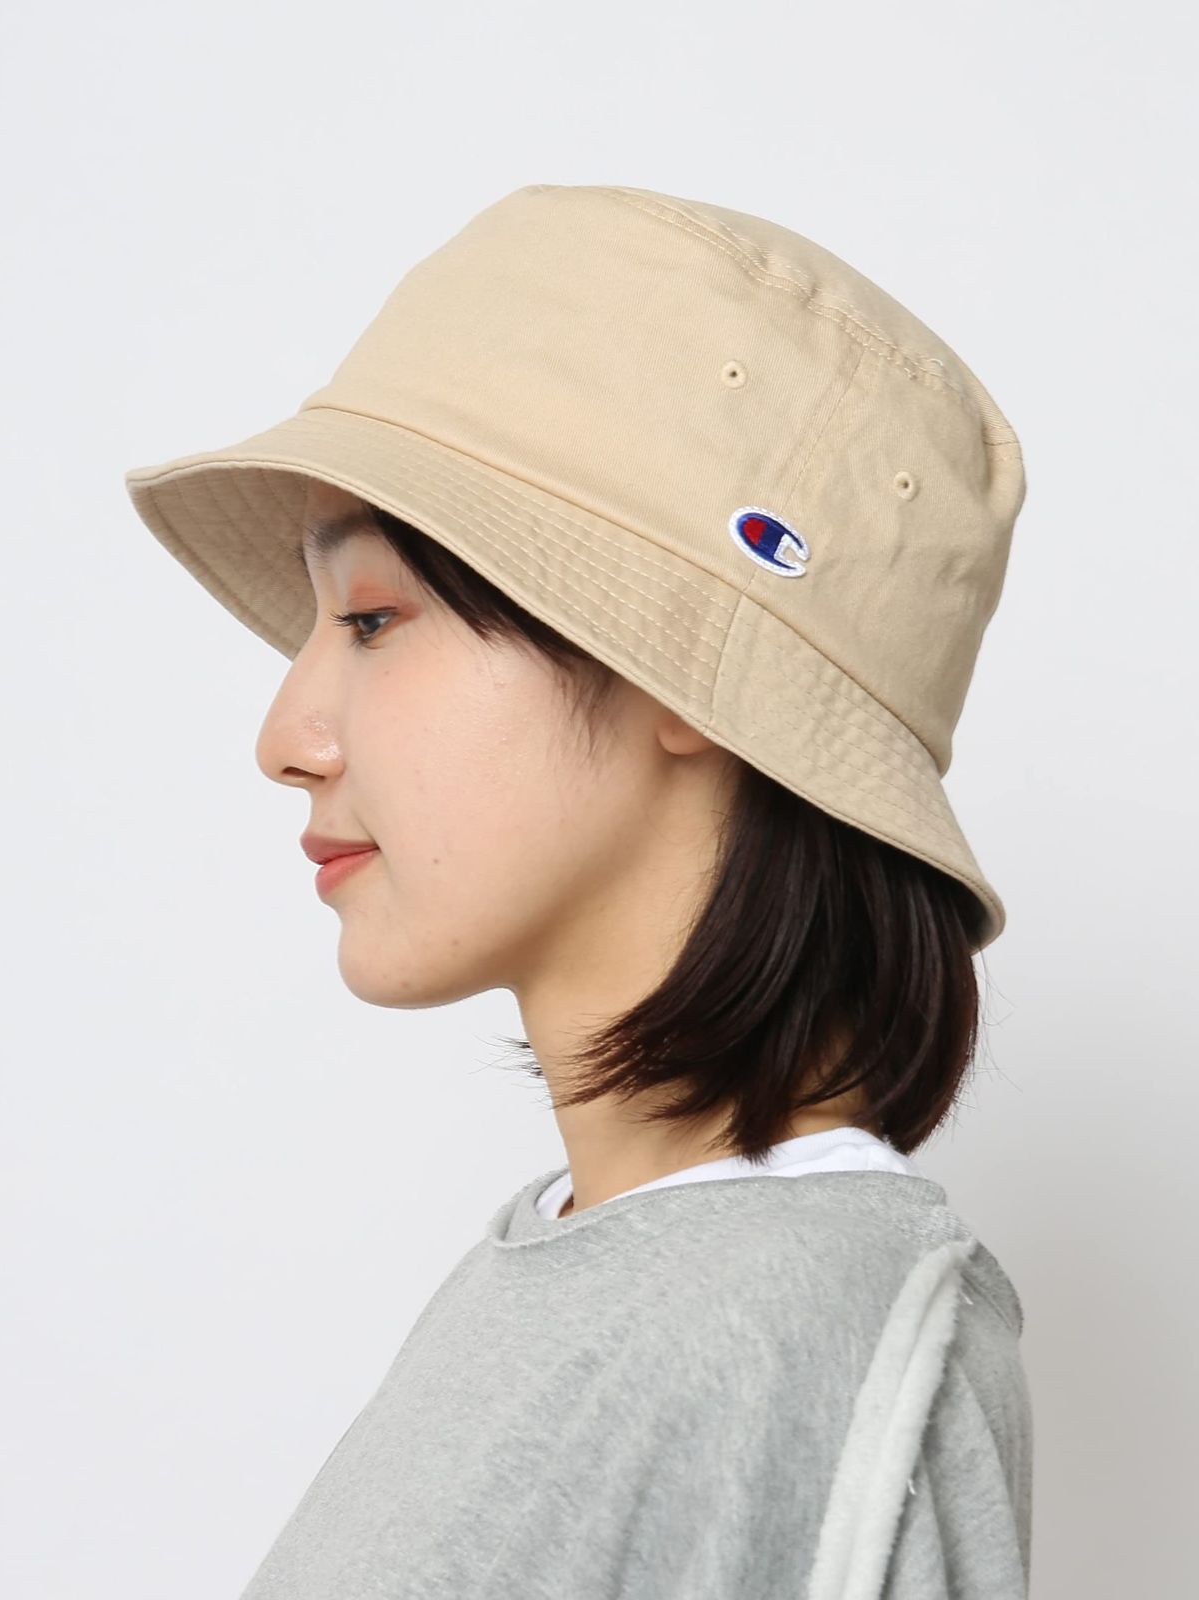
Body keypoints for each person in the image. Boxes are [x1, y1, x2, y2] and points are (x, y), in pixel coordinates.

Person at [124, 182, 1034, 1597]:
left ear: (680, 673)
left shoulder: (805, 1325)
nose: (286, 738)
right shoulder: (563, 1277)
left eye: (373, 617)